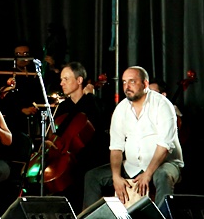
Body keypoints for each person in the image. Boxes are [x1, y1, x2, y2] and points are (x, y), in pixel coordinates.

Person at [81, 66, 183, 211]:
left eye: (132, 82)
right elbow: (116, 147)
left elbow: (164, 146)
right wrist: (116, 176)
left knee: (163, 175)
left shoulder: (162, 105)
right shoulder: (121, 109)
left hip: (165, 164)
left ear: (145, 84)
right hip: (131, 166)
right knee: (92, 177)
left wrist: (147, 174)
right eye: (124, 82)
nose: (126, 87)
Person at [37, 61, 110, 209]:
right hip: (67, 156)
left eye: (66, 79)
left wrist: (89, 97)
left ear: (79, 80)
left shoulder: (94, 103)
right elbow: (58, 133)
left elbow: (101, 125)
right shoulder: (63, 106)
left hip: (90, 158)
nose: (62, 83)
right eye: (61, 79)